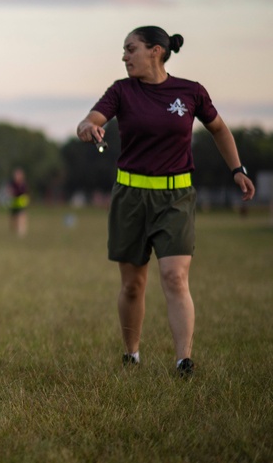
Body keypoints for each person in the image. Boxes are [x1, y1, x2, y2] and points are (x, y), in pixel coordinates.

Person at [76, 26, 255, 377]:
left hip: (176, 196)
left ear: (156, 51)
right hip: (130, 196)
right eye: (124, 51)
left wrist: (237, 168)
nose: (125, 56)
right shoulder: (121, 91)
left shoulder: (190, 92)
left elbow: (218, 129)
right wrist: (87, 126)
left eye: (131, 49)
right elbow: (92, 119)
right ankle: (131, 354)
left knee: (174, 277)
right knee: (132, 284)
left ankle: (183, 361)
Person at [7, 168, 29, 237]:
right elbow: (9, 191)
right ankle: (15, 229)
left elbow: (26, 193)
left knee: (21, 216)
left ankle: (21, 230)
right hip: (14, 202)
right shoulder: (12, 183)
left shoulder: (23, 184)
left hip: (21, 202)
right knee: (13, 218)